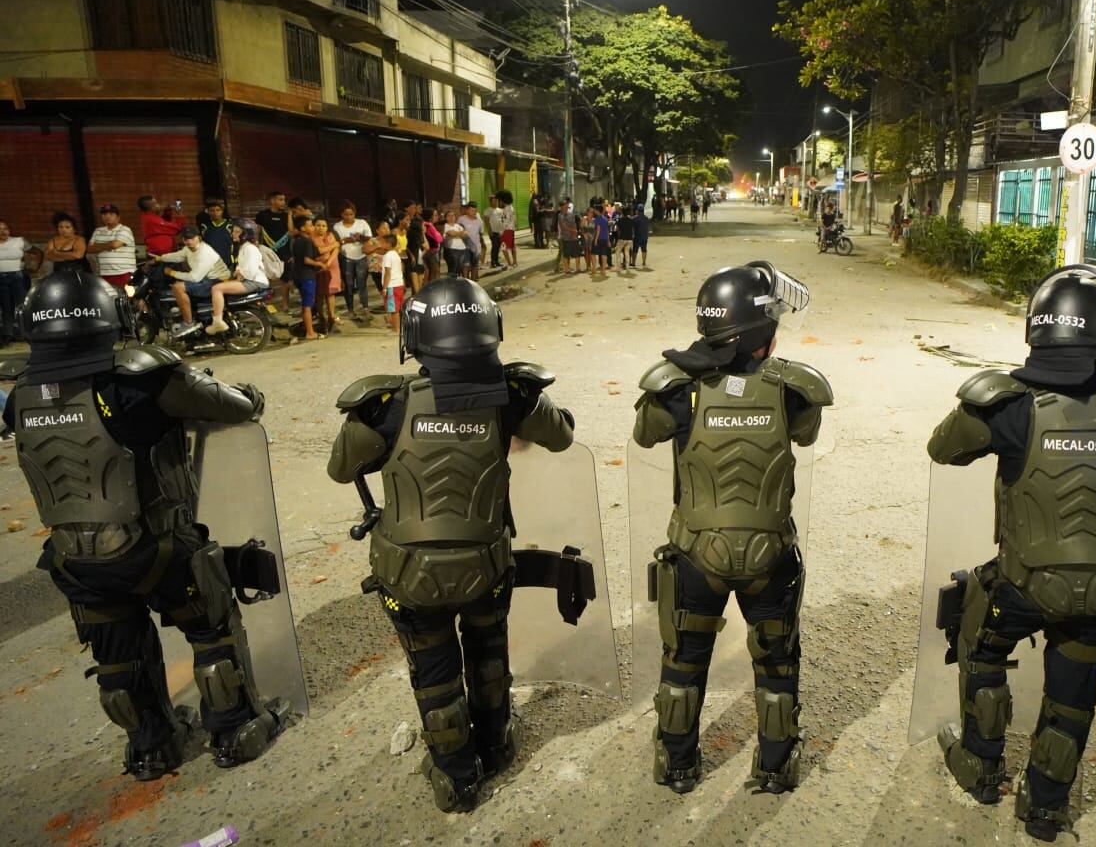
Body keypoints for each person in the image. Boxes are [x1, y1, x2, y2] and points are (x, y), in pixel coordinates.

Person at [925, 264, 1096, 841]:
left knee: (978, 641)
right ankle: (1046, 807)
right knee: (1073, 694)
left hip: (1022, 588)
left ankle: (980, 765)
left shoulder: (1007, 407)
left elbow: (943, 449)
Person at [3, 271, 288, 779]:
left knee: (117, 659)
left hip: (75, 559)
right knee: (211, 629)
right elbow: (237, 405)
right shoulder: (138, 377)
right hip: (154, 546)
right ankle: (233, 728)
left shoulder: (20, 392)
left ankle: (150, 747)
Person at [327, 278, 576, 812]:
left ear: (415, 338)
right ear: (490, 332)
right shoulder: (512, 398)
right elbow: (562, 435)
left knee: (433, 672)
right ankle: (496, 743)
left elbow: (339, 467)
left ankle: (456, 776)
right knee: (488, 654)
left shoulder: (383, 408)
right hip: (485, 567)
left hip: (409, 575)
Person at [633, 261, 831, 795]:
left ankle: (677, 764)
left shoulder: (677, 387)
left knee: (683, 660)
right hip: (771, 552)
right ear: (764, 328)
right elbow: (807, 435)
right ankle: (775, 766)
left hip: (697, 553)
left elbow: (645, 433)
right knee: (777, 659)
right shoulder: (794, 388)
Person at [153, 225, 230, 337]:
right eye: (186, 239)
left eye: (192, 238)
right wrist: (159, 258)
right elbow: (178, 256)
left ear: (199, 238)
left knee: (178, 287)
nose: (189, 241)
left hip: (216, 281)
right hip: (206, 279)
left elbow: (195, 278)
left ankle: (188, 323)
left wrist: (172, 273)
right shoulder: (188, 249)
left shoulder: (205, 252)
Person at [205, 222, 269, 335]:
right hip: (250, 279)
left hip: (254, 281)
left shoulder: (250, 248)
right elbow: (241, 266)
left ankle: (217, 322)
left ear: (245, 234)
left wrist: (240, 273)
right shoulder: (243, 247)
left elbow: (250, 271)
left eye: (237, 232)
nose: (233, 234)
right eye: (233, 231)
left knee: (217, 289)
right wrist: (238, 271)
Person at [333, 202, 373, 319]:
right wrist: (346, 240)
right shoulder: (337, 226)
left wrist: (360, 237)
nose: (349, 217)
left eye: (351, 214)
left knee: (362, 284)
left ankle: (365, 308)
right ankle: (350, 309)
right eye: (346, 214)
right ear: (342, 214)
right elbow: (336, 242)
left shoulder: (362, 223)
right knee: (349, 285)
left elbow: (369, 237)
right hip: (346, 258)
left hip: (361, 256)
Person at [0, 219, 36, 346]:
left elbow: (37, 251)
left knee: (22, 306)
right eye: (0, 229)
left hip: (18, 277)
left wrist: (35, 267)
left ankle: (27, 332)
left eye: (5, 228)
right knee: (6, 307)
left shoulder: (19, 241)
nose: (3, 231)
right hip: (1, 279)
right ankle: (8, 334)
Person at [255, 192, 294, 309]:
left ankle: (285, 303)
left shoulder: (286, 215)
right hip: (268, 252)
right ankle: (268, 303)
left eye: (284, 200)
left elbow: (291, 232)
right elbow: (257, 231)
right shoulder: (262, 215)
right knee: (267, 278)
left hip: (285, 251)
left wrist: (290, 215)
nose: (283, 202)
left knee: (285, 279)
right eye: (280, 199)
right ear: (272, 201)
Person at [287, 215, 322, 342]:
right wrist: (320, 264)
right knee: (307, 305)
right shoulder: (307, 241)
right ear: (303, 228)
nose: (313, 227)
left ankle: (307, 328)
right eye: (311, 225)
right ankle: (310, 332)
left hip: (298, 275)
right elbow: (307, 260)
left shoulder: (296, 241)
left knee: (306, 304)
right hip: (307, 276)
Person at [87, 204, 136, 290]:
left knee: (127, 299)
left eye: (111, 214)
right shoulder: (98, 231)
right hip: (104, 273)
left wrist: (98, 246)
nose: (107, 216)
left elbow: (115, 245)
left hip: (123, 273)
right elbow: (90, 249)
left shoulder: (124, 229)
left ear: (118, 217)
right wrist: (109, 245)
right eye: (104, 214)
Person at [312, 216, 343, 332]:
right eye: (318, 225)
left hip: (332, 267)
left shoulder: (330, 235)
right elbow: (320, 250)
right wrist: (334, 245)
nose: (321, 228)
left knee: (331, 293)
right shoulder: (312, 238)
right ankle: (321, 318)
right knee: (319, 294)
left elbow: (336, 250)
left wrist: (329, 262)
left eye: (323, 225)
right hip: (318, 268)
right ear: (314, 226)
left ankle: (331, 317)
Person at [379, 234, 404, 333]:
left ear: (388, 244)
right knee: (396, 307)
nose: (381, 244)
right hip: (399, 284)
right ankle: (396, 326)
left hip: (391, 286)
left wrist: (384, 288)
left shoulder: (387, 256)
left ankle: (396, 329)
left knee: (393, 309)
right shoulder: (395, 254)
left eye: (383, 242)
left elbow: (387, 273)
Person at [198, 200, 235, 268]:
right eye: (212, 210)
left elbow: (236, 244)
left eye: (218, 210)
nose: (215, 212)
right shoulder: (204, 227)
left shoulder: (230, 226)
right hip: (210, 263)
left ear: (222, 211)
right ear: (208, 212)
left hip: (227, 262)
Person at [460, 202, 484, 280]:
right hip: (465, 246)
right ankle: (466, 281)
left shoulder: (479, 221)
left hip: (476, 246)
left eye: (475, 210)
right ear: (467, 210)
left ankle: (473, 281)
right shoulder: (461, 219)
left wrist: (481, 244)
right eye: (471, 210)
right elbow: (458, 230)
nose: (474, 212)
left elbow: (480, 233)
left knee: (475, 265)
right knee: (466, 264)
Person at [558, 200, 582, 275]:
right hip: (566, 237)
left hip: (573, 237)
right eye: (565, 205)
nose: (566, 206)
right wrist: (573, 231)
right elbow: (563, 227)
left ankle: (578, 268)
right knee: (566, 254)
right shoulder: (560, 215)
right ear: (561, 207)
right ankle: (566, 269)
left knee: (577, 253)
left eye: (567, 205)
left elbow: (574, 224)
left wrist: (574, 232)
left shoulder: (571, 214)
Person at [443, 210, 469, 278]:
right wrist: (460, 233)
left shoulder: (458, 225)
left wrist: (456, 233)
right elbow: (451, 234)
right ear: (446, 218)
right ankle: (451, 284)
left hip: (462, 249)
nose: (451, 217)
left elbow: (466, 234)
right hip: (451, 250)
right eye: (449, 215)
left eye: (453, 215)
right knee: (452, 269)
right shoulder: (446, 226)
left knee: (460, 267)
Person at [485, 194, 506, 270]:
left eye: (496, 201)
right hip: (493, 231)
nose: (495, 202)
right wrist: (489, 231)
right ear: (490, 202)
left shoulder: (500, 210)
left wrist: (503, 230)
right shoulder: (488, 210)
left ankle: (497, 261)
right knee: (494, 246)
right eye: (493, 201)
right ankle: (493, 262)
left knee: (498, 247)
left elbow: (503, 220)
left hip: (500, 231)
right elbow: (486, 221)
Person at [497, 191, 517, 270]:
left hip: (506, 230)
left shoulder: (506, 209)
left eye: (500, 200)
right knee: (512, 246)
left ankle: (509, 264)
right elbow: (514, 220)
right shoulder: (511, 208)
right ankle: (514, 262)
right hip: (511, 229)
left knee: (503, 247)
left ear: (503, 200)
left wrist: (501, 232)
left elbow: (505, 221)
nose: (499, 202)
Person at [616, 204, 636, 271]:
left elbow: (617, 230)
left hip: (622, 238)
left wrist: (619, 236)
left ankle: (618, 266)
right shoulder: (631, 220)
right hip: (629, 239)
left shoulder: (620, 220)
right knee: (626, 252)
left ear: (622, 212)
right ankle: (627, 266)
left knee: (618, 251)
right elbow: (633, 229)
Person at [631, 202, 650, 269]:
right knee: (644, 249)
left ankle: (633, 262)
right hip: (645, 236)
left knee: (635, 250)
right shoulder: (646, 218)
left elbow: (632, 227)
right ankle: (644, 262)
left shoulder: (634, 218)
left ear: (637, 210)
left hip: (637, 236)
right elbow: (647, 227)